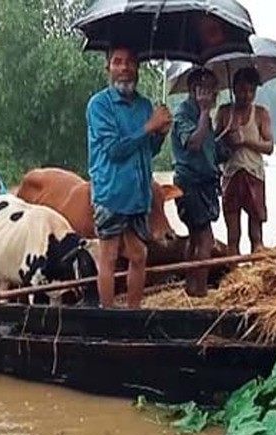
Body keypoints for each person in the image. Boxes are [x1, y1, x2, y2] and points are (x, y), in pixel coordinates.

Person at [87, 46, 172, 309]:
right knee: (109, 256)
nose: (124, 68)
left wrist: (161, 132)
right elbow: (115, 149)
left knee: (139, 254)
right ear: (108, 69)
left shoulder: (145, 105)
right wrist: (149, 126)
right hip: (111, 192)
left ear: (137, 68)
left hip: (138, 195)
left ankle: (133, 315)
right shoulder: (99, 105)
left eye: (130, 62)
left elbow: (149, 150)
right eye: (117, 62)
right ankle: (108, 316)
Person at [171, 68, 221, 297]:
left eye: (213, 89)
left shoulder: (205, 117)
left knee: (195, 236)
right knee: (205, 238)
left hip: (206, 182)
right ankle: (199, 290)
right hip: (190, 182)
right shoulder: (184, 113)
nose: (212, 94)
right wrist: (203, 112)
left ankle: (191, 286)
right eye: (207, 89)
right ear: (195, 90)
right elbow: (194, 143)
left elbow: (211, 151)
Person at [215, 67, 275, 254]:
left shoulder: (260, 113)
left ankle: (257, 272)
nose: (246, 95)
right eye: (242, 90)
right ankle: (235, 276)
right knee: (233, 236)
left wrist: (246, 140)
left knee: (256, 235)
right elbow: (214, 145)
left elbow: (269, 146)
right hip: (231, 175)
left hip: (254, 175)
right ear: (234, 90)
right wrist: (228, 134)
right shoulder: (224, 112)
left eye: (251, 91)